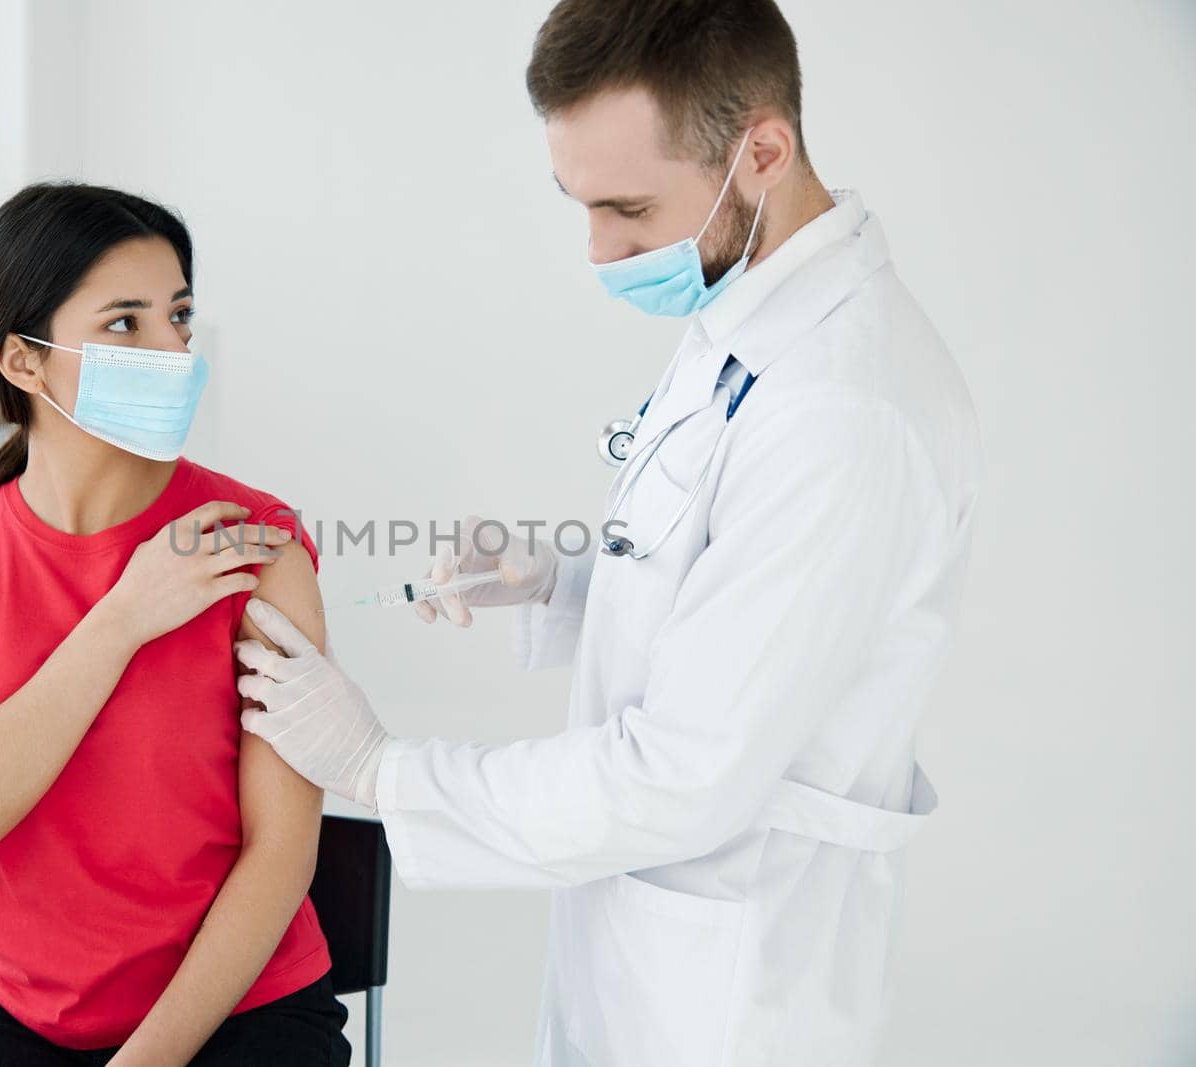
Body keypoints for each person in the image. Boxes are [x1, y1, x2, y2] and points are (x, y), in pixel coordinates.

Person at [234, 0, 982, 1063]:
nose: (599, 249)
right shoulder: (748, 313)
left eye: (628, 208)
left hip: (734, 987)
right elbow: (729, 597)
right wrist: (557, 586)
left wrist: (380, 768)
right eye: (577, 204)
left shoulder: (842, 406)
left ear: (760, 150)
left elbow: (679, 776)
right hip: (646, 945)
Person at [0, 182, 352, 1067]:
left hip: (244, 1007)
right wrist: (122, 618)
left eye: (178, 315)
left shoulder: (255, 543)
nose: (173, 349)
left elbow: (281, 852)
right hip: (23, 1013)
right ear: (24, 361)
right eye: (126, 324)